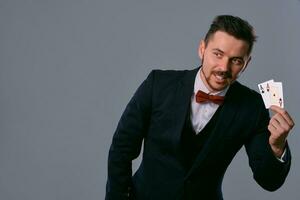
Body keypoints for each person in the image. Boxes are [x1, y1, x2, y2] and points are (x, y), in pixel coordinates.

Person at [105, 15, 295, 200]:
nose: (224, 67)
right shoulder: (158, 85)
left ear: (246, 64)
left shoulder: (252, 106)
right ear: (202, 49)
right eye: (218, 54)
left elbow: (269, 181)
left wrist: (277, 147)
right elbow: (121, 149)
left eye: (236, 60)